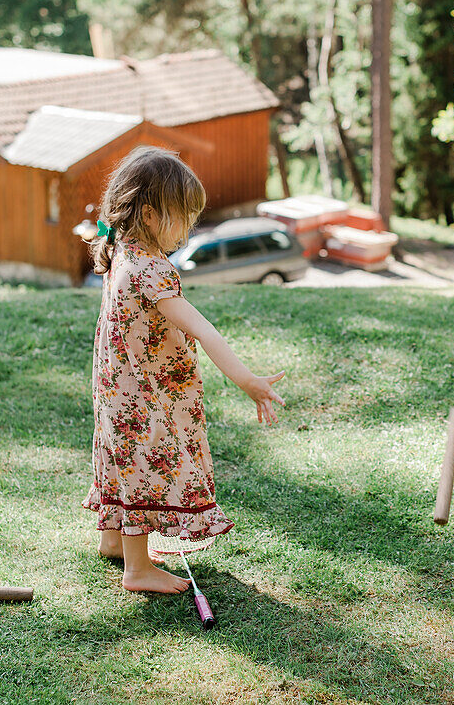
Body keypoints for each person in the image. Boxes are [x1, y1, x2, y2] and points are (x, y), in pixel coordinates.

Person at [82, 146, 285, 594]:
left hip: (118, 386)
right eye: (183, 216)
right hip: (145, 393)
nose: (189, 227)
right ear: (150, 215)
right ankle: (137, 569)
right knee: (145, 467)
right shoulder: (150, 269)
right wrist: (247, 380)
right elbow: (203, 329)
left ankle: (114, 542)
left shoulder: (121, 247)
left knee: (124, 460)